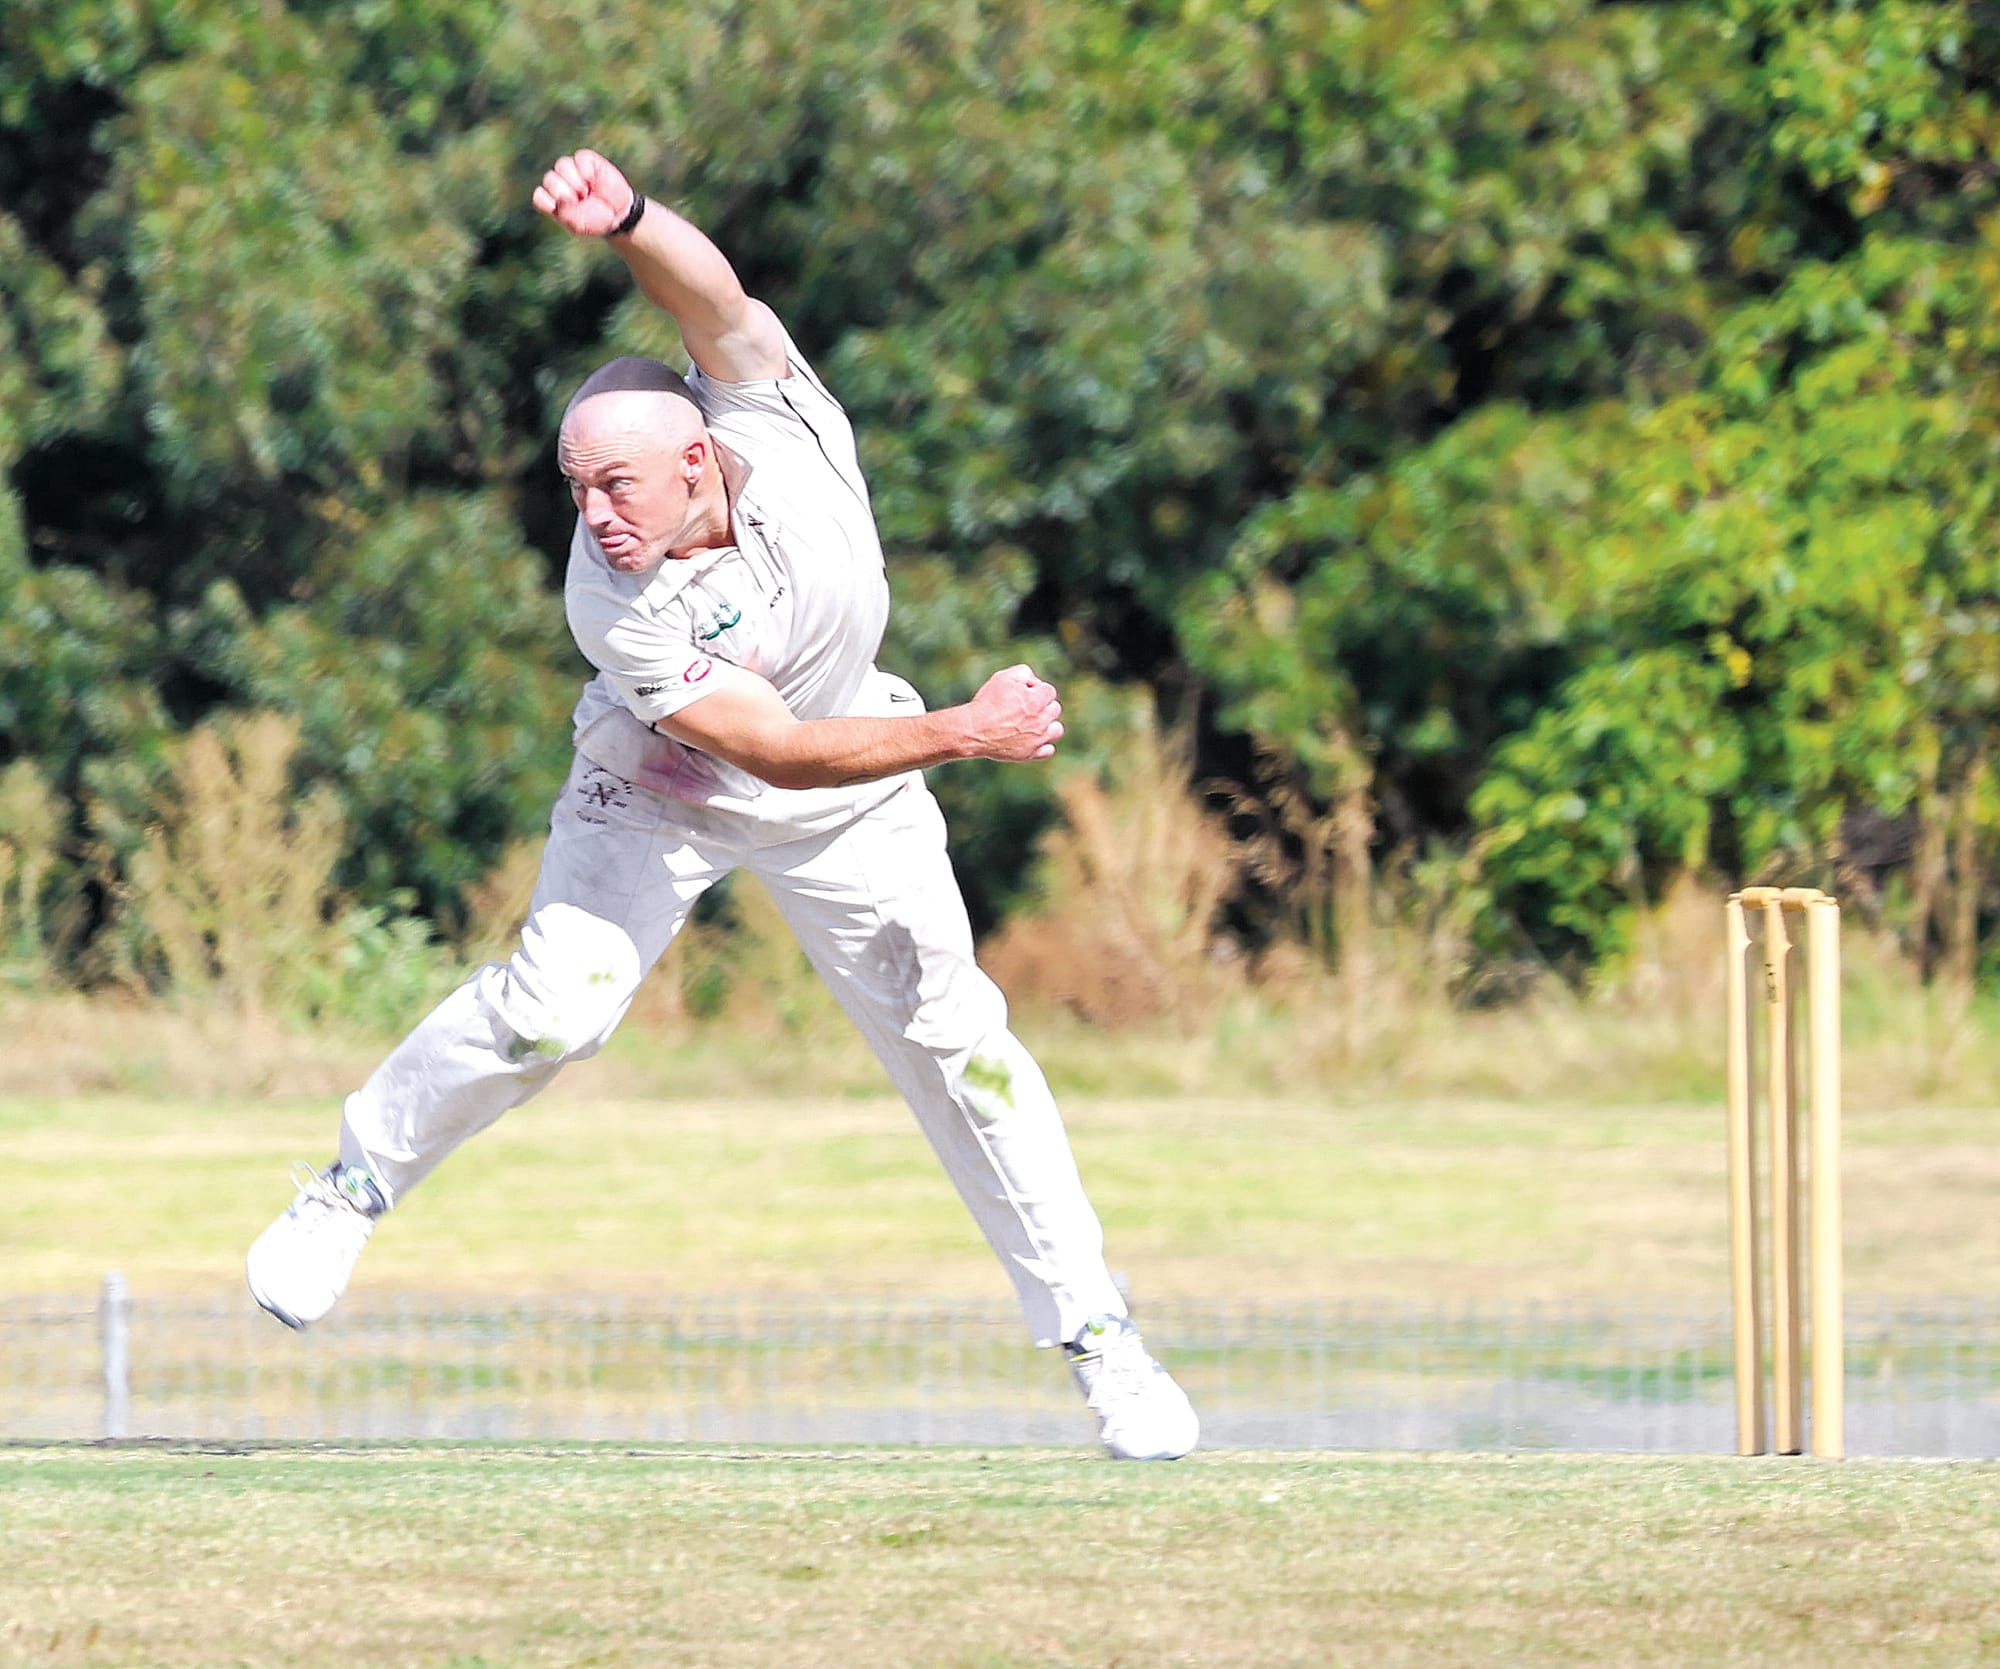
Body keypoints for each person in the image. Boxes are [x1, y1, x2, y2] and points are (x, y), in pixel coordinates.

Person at [245, 148, 1199, 1461]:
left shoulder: (776, 414)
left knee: (960, 1042)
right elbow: (778, 749)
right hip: (667, 787)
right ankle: (351, 1185)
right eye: (574, 490)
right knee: (555, 1010)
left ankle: (1102, 1341)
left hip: (855, 780)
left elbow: (715, 298)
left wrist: (628, 218)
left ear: (698, 457)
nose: (594, 517)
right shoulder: (610, 599)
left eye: (616, 487)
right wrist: (964, 733)